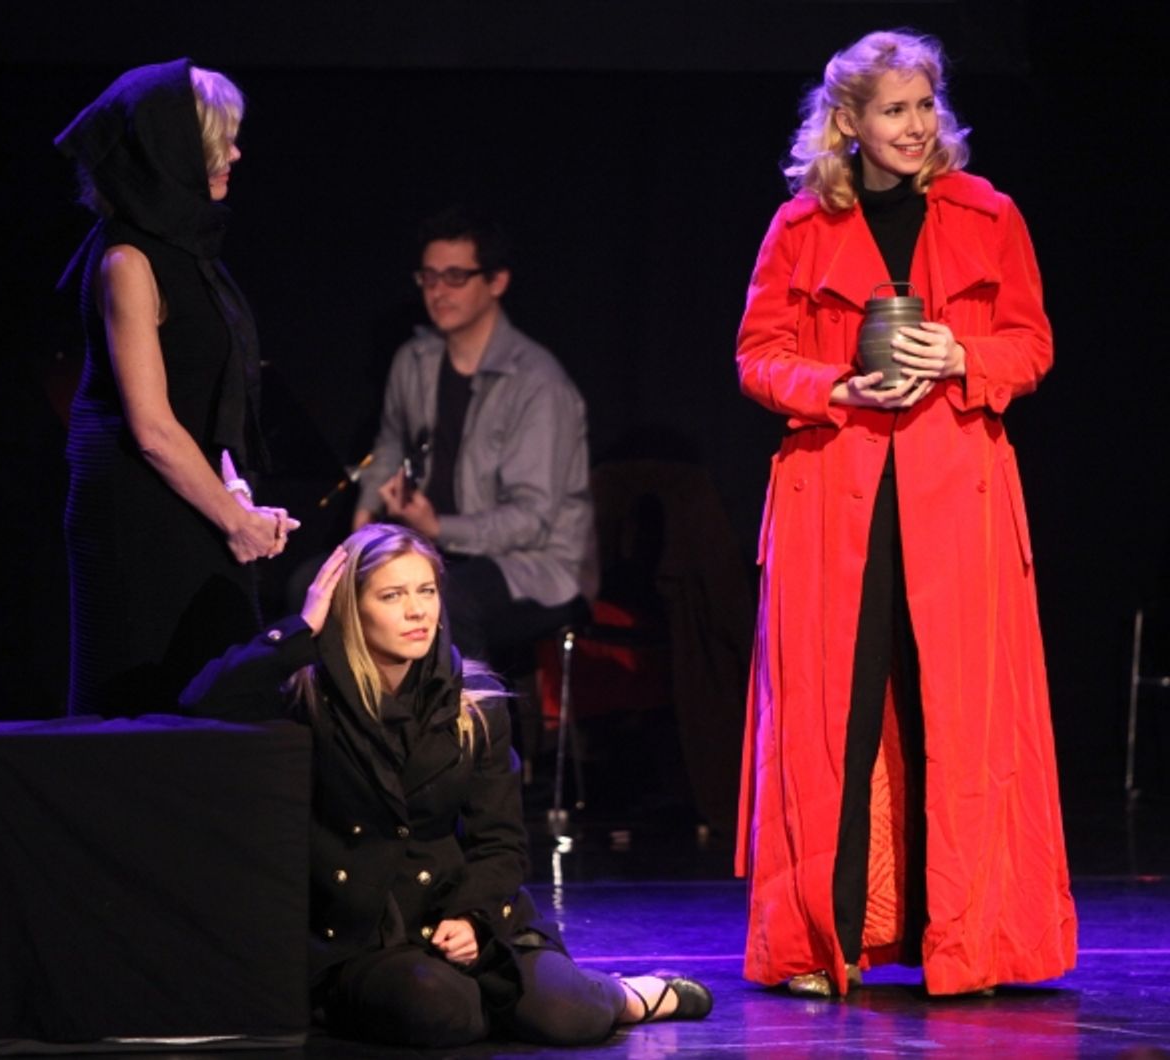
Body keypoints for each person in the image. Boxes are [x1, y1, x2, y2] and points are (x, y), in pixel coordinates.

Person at [733, 30, 1076, 998]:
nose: (916, 126)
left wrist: (962, 358)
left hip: (956, 487)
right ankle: (820, 940)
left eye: (926, 106)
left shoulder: (989, 214)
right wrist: (836, 384)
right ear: (847, 123)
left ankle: (966, 938)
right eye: (894, 110)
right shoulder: (799, 226)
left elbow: (1032, 342)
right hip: (832, 490)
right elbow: (757, 356)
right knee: (832, 711)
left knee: (960, 706)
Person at [179, 523, 712, 1047]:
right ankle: (492, 1005)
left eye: (426, 591)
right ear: (351, 606)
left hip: (461, 916)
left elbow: (500, 842)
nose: (417, 611)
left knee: (568, 1014)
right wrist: (303, 627)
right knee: (437, 1006)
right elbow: (204, 701)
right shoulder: (310, 695)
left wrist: (475, 919)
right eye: (392, 595)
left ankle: (629, 996)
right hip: (368, 939)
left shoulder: (472, 701)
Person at [55, 59, 297, 717]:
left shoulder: (186, 249)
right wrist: (236, 523)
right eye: (219, 142)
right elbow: (154, 427)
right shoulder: (125, 261)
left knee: (215, 690)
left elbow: (208, 396)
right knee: (144, 702)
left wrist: (237, 491)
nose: (236, 155)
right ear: (170, 152)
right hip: (136, 513)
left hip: (190, 498)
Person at [351, 207, 593, 669]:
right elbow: (388, 446)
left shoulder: (538, 383)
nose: (438, 291)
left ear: (496, 282)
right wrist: (363, 529)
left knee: (444, 604)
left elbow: (532, 521)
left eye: (455, 277)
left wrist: (438, 528)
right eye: (429, 277)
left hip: (532, 565)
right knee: (315, 584)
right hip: (432, 551)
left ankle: (463, 735)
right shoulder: (414, 360)